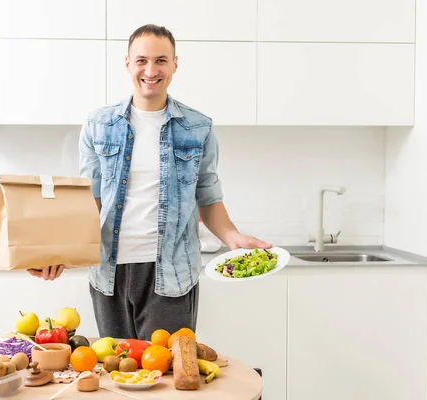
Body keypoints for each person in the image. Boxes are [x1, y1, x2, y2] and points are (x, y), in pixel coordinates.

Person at [29, 24, 272, 340]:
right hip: (108, 274)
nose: (151, 70)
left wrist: (233, 237)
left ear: (174, 64)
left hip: (171, 274)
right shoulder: (98, 125)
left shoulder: (198, 128)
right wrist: (59, 250)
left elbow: (208, 196)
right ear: (128, 63)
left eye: (161, 60)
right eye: (141, 60)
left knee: (168, 377)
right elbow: (91, 200)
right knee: (117, 374)